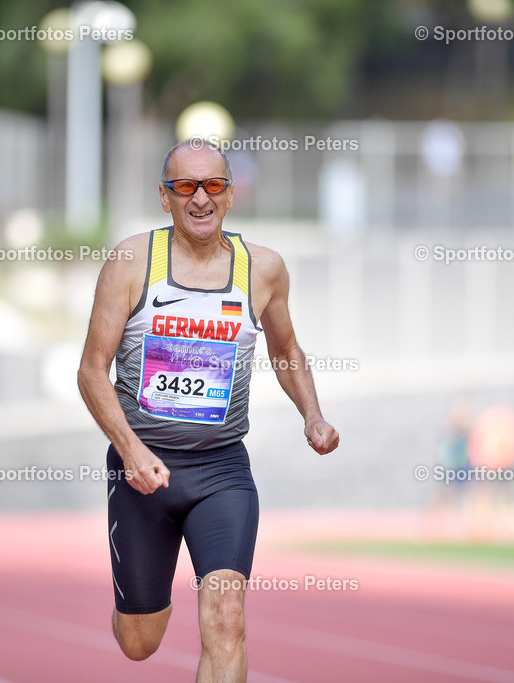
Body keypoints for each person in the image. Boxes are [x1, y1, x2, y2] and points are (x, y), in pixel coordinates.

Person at [77, 139, 339, 682]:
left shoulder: (262, 269)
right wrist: (131, 449)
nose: (201, 198)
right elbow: (91, 370)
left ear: (231, 193)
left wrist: (311, 414)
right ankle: (136, 601)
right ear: (165, 197)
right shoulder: (130, 261)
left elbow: (285, 350)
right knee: (140, 641)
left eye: (214, 185)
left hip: (222, 470)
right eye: (186, 187)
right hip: (141, 473)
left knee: (226, 616)